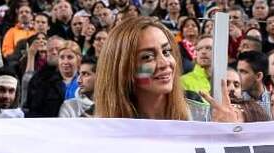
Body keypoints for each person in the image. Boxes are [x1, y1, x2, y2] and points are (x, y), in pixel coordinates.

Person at [94, 16, 237, 121]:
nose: (164, 63)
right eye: (147, 57)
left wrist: (231, 132)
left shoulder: (202, 117)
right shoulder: (101, 129)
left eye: (166, 52)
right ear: (123, 69)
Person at [26, 39, 79, 116]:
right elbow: (33, 110)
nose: (54, 52)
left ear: (78, 58)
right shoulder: (41, 80)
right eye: (51, 50)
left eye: (70, 57)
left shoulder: (85, 80)